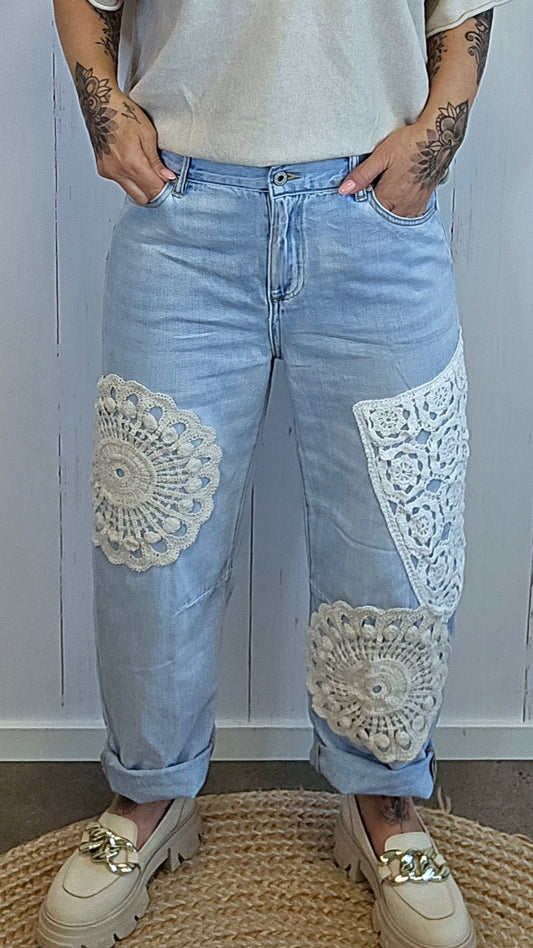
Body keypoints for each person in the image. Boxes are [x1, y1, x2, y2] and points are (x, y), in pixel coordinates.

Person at [38, 2, 513, 947]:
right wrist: (106, 111)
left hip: (370, 215)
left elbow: (461, 9)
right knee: (150, 540)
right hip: (185, 214)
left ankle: (383, 803)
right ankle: (148, 794)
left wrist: (434, 137)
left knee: (395, 536)